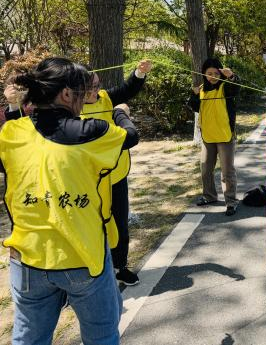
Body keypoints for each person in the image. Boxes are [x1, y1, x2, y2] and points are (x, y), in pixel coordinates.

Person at [0, 57, 138, 345]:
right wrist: (120, 112)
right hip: (81, 257)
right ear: (65, 94)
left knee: (29, 339)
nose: (84, 98)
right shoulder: (93, 132)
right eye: (81, 91)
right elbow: (130, 136)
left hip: (26, 259)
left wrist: (14, 108)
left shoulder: (11, 132)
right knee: (101, 337)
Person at [83, 59, 152, 286]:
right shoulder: (71, 109)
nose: (94, 91)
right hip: (87, 180)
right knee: (92, 224)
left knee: (120, 222)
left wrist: (139, 73)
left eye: (97, 85)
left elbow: (127, 89)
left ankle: (120, 266)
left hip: (115, 175)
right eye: (89, 87)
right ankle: (91, 269)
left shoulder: (105, 97)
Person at [188, 58, 241, 216]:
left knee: (227, 172)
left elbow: (236, 88)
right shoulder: (202, 89)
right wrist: (194, 95)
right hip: (208, 137)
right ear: (204, 74)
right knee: (205, 169)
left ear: (221, 73)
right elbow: (194, 107)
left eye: (216, 73)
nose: (212, 76)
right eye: (209, 73)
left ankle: (231, 202)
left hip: (225, 136)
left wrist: (231, 76)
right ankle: (209, 196)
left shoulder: (226, 87)